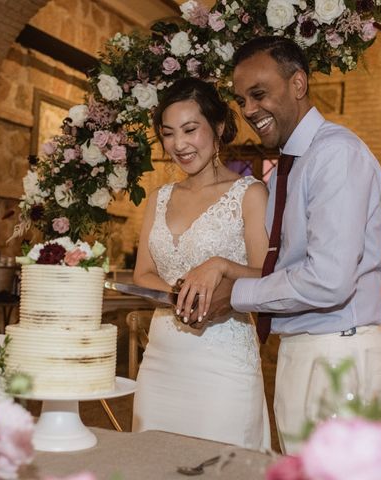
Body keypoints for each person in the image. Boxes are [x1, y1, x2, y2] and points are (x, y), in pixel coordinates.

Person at [178, 36, 381, 453]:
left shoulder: (336, 155)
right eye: (242, 100)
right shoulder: (285, 172)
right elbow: (286, 269)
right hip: (307, 352)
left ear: (298, 84)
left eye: (259, 94)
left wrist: (235, 293)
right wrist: (221, 267)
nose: (249, 110)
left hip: (337, 356)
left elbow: (328, 281)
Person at [131, 77, 271, 450]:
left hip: (223, 365)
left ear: (219, 127)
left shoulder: (250, 194)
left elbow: (268, 278)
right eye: (168, 133)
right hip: (161, 362)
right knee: (151, 464)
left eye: (190, 129)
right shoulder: (159, 198)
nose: (179, 144)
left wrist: (222, 265)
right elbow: (143, 273)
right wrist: (183, 295)